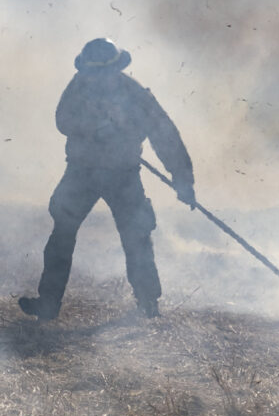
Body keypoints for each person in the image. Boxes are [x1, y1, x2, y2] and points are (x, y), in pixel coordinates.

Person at [20, 38, 195, 320]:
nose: (98, 79)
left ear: (117, 69)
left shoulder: (135, 94)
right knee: (62, 234)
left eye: (104, 73)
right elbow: (62, 119)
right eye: (94, 73)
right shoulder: (78, 86)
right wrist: (93, 127)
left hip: (123, 175)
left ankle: (148, 305)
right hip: (81, 172)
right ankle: (48, 304)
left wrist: (182, 178)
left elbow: (164, 133)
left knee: (137, 236)